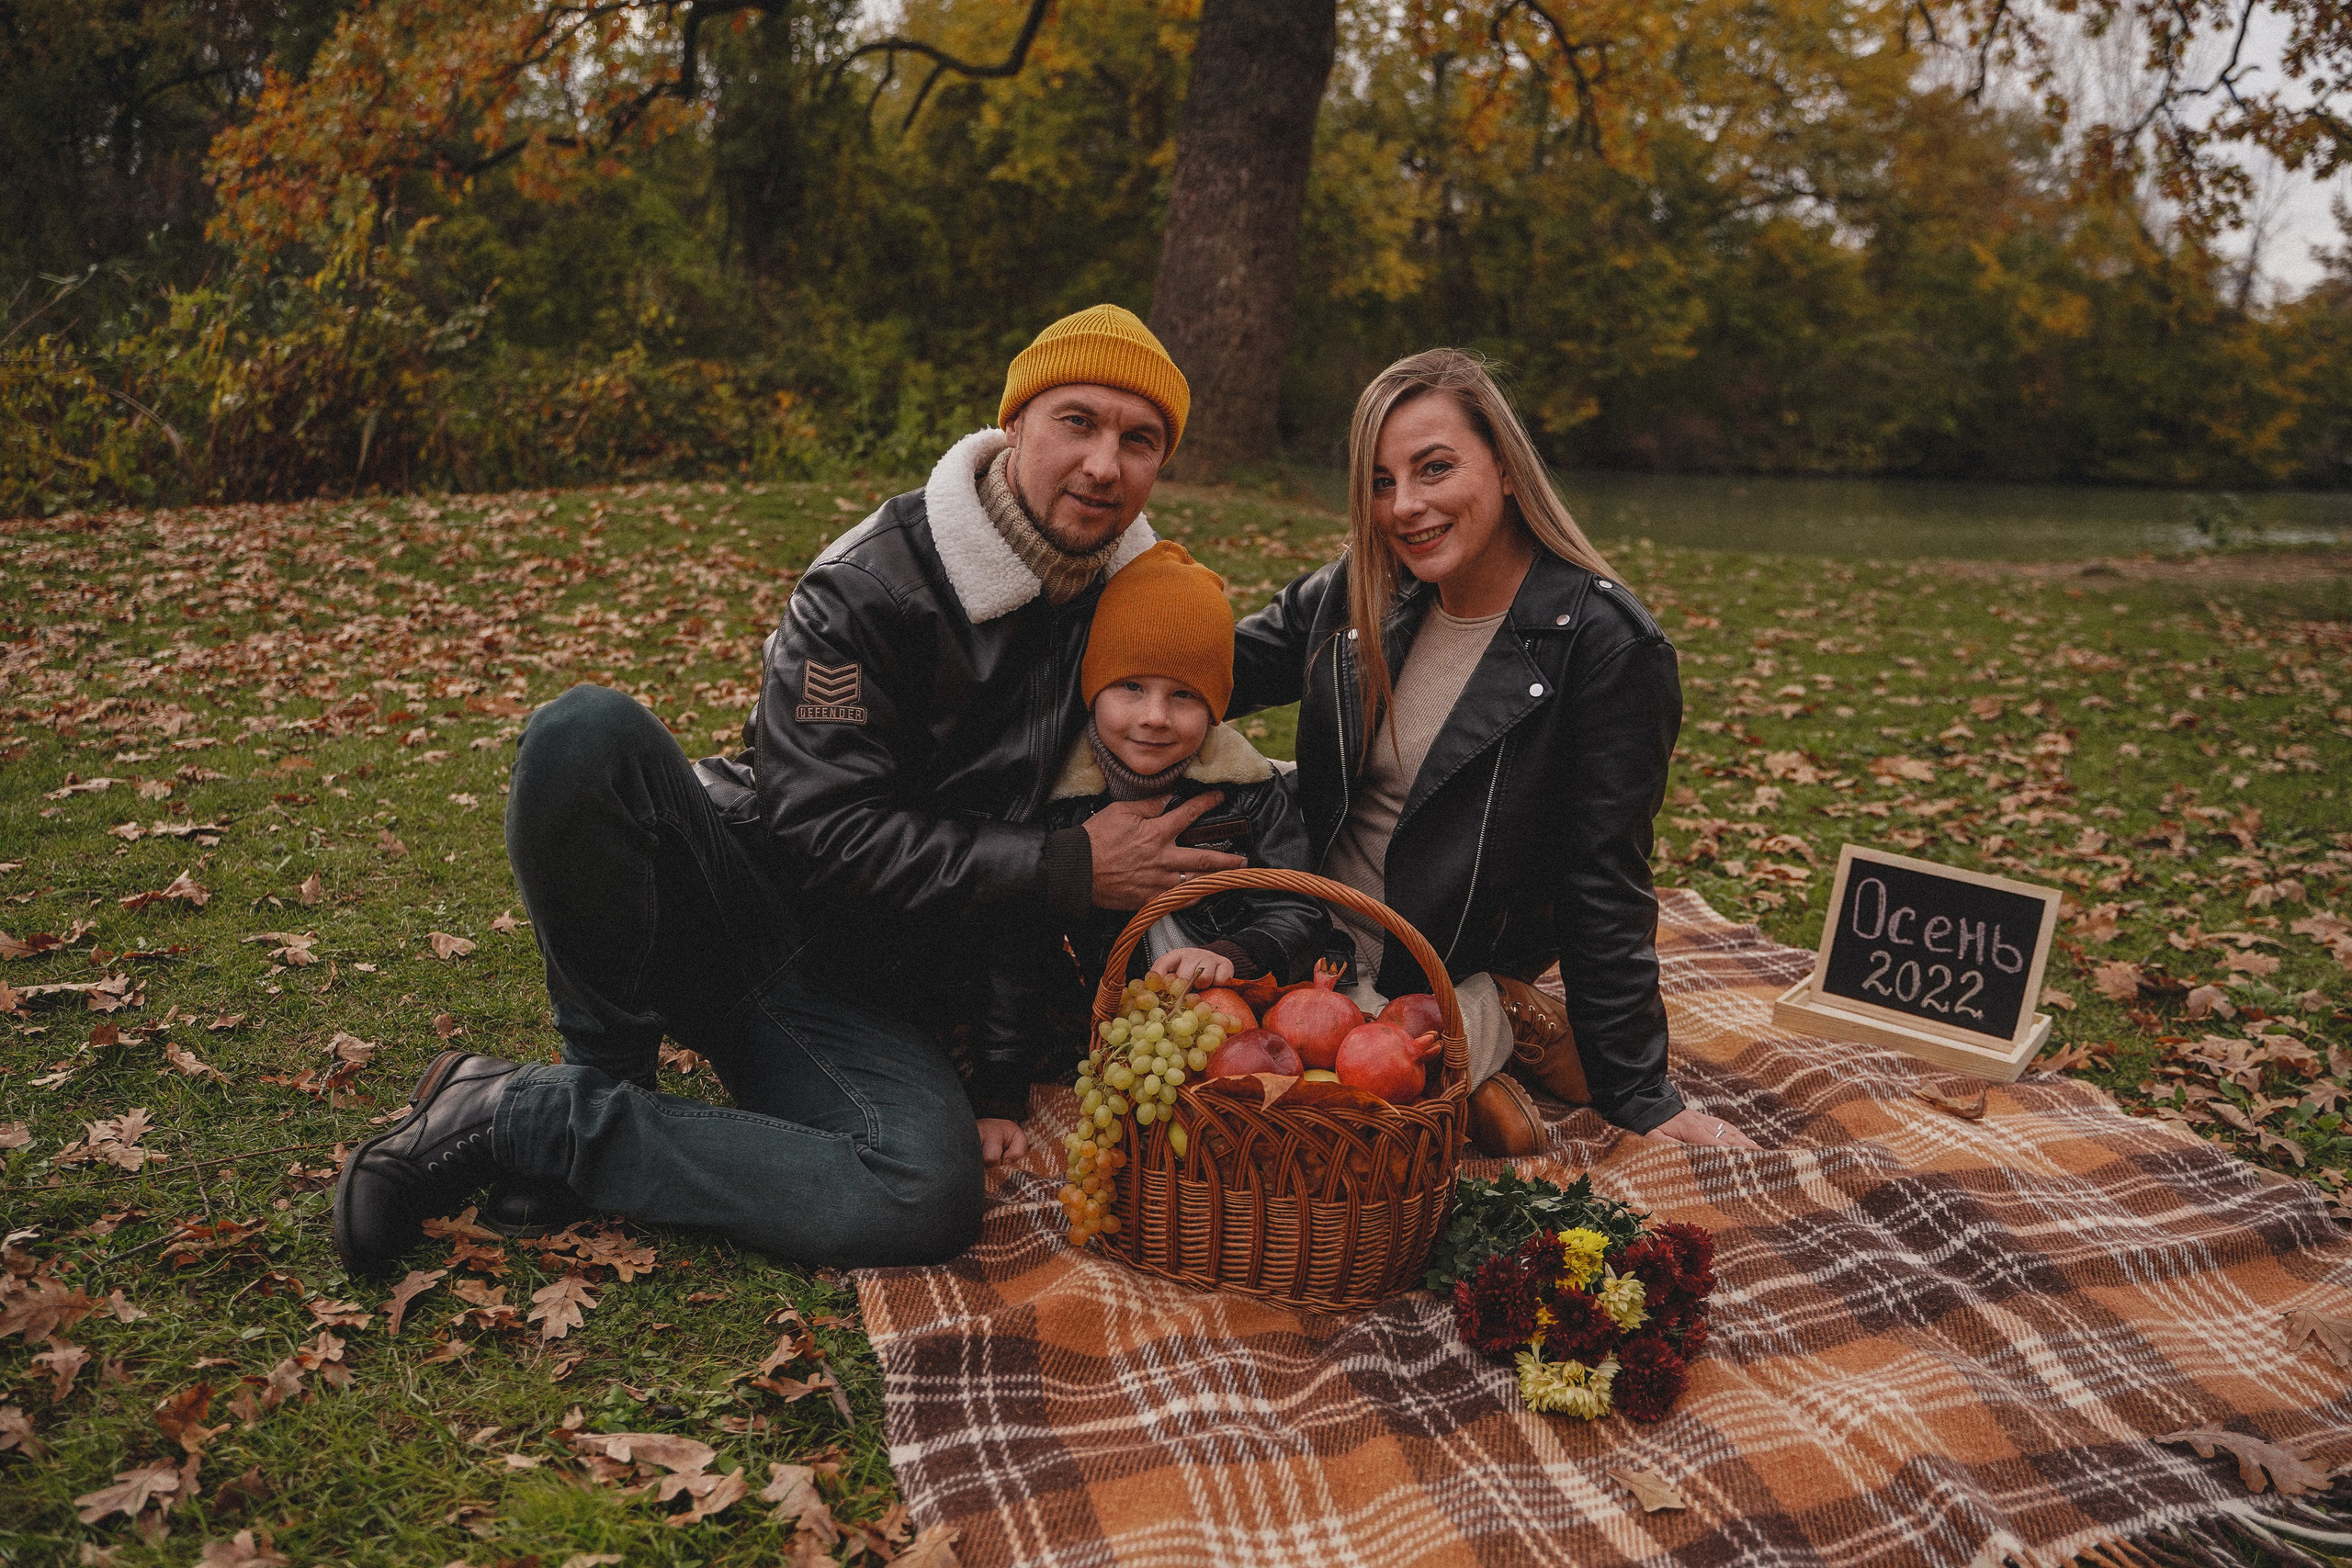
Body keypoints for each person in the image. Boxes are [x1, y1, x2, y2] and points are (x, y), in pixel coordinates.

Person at [333, 305, 1254, 1279]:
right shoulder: (870, 585)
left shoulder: (1136, 597)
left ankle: (533, 1118)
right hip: (743, 909)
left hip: (869, 1001)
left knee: (921, 1193)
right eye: (1079, 422)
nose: (1105, 464)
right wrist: (1070, 864)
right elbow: (827, 829)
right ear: (1016, 423)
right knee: (584, 731)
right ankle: (604, 1072)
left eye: (1138, 439)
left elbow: (1245, 657)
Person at [1227, 348, 1758, 1156]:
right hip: (1309, 937)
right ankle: (1475, 1061)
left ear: (1508, 469)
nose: (1405, 506)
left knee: (1338, 1134)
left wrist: (1639, 1092)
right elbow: (1207, 673)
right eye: (1380, 481)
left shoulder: (1607, 648)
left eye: (1434, 469)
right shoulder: (1359, 589)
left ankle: (1489, 1022)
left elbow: (1604, 880)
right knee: (1218, 1066)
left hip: (1437, 961)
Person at [967, 540, 1329, 1148]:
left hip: (1231, 1034)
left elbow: (1300, 906)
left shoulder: (1250, 791)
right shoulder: (1056, 802)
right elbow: (1011, 943)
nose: (1155, 715)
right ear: (1092, 688)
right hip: (1094, 1036)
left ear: (1216, 705)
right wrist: (999, 1092)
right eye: (1130, 686)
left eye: (1184, 694)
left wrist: (1237, 951)